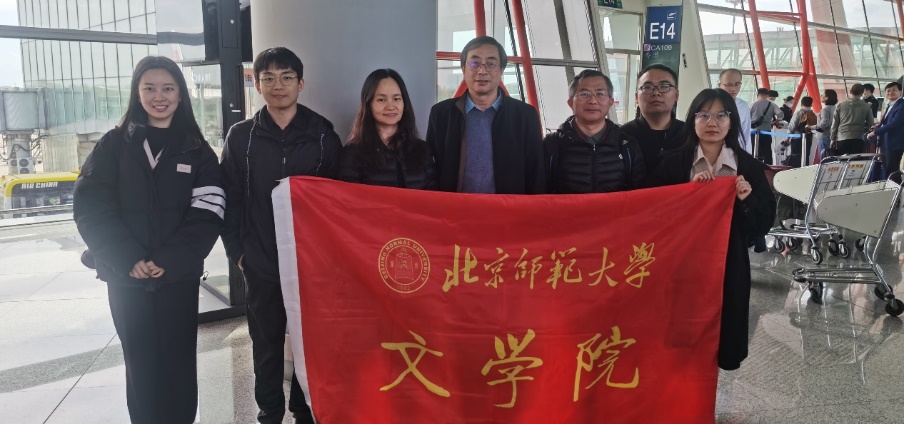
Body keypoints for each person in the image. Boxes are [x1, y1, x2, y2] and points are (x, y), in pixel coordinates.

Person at [73, 56, 223, 423]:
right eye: (150, 88)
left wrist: (170, 259)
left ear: (180, 95)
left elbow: (209, 210)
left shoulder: (196, 149)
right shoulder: (113, 145)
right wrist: (128, 258)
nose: (159, 96)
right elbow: (91, 206)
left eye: (168, 88)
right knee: (139, 363)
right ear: (137, 93)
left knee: (178, 361)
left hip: (177, 276)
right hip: (125, 277)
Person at [221, 47, 342, 424]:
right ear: (257, 85)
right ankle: (269, 413)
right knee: (267, 345)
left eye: (287, 77)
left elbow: (337, 201)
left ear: (300, 83)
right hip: (260, 260)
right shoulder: (241, 137)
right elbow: (230, 199)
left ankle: (304, 412)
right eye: (268, 78)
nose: (278, 85)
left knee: (308, 344)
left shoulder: (321, 134)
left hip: (310, 264)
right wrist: (239, 254)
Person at [647, 88, 775, 371]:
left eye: (721, 115)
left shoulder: (748, 167)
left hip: (729, 263)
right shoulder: (673, 163)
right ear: (692, 120)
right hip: (681, 264)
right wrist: (688, 195)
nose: (712, 122)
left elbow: (763, 224)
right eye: (703, 115)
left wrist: (747, 200)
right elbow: (653, 214)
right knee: (680, 337)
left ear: (731, 122)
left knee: (724, 330)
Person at [426, 35, 545, 194]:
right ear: (463, 69)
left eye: (491, 64)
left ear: (501, 70)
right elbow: (430, 168)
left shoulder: (525, 116)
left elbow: (536, 172)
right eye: (474, 63)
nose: (482, 71)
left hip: (508, 207)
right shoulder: (441, 114)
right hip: (455, 207)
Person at [543, 70, 645, 193]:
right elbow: (541, 192)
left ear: (610, 102)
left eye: (600, 94)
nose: (592, 101)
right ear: (570, 103)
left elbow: (638, 194)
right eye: (584, 94)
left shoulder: (627, 145)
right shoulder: (551, 144)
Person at [340, 68, 437, 188]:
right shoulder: (353, 153)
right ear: (369, 104)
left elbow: (433, 194)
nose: (391, 106)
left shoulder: (422, 150)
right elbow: (349, 197)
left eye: (396, 99)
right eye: (381, 100)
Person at [621, 63, 686, 173]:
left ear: (676, 95)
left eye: (664, 86)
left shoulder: (689, 134)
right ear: (636, 97)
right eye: (647, 87)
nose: (656, 93)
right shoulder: (623, 135)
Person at [867, 81, 904, 174]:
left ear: (900, 92)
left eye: (894, 90)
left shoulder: (902, 105)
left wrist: (876, 132)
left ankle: (894, 184)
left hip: (894, 143)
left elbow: (894, 123)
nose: (890, 92)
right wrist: (878, 126)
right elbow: (887, 122)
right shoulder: (890, 105)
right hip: (885, 142)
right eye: (888, 91)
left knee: (892, 170)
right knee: (886, 169)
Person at [830, 83, 873, 155]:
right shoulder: (867, 106)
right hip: (858, 138)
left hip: (842, 138)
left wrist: (832, 138)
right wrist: (861, 126)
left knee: (843, 161)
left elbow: (835, 123)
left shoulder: (841, 105)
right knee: (856, 160)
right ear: (862, 93)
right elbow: (870, 123)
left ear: (850, 91)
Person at [718, 69, 752, 155]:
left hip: (736, 154)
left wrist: (747, 156)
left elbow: (746, 134)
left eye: (737, 84)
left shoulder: (743, 106)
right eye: (729, 84)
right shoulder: (711, 105)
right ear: (719, 85)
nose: (733, 89)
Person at [749, 87, 784, 164]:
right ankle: (768, 167)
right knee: (767, 151)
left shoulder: (753, 104)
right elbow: (780, 114)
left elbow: (747, 117)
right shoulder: (772, 104)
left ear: (758, 94)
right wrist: (776, 121)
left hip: (754, 131)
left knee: (754, 150)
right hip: (766, 131)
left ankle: (755, 166)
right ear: (767, 95)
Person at [786, 96, 817, 167]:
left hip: (797, 138)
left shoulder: (798, 113)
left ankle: (796, 170)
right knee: (806, 155)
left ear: (801, 103)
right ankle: (805, 169)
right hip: (808, 137)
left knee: (795, 156)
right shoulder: (812, 113)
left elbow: (792, 126)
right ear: (811, 104)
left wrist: (787, 138)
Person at [814, 89, 837, 160]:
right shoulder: (836, 108)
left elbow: (824, 123)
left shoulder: (825, 109)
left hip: (824, 136)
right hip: (833, 135)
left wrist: (811, 127)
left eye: (822, 95)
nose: (821, 96)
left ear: (826, 98)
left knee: (823, 158)